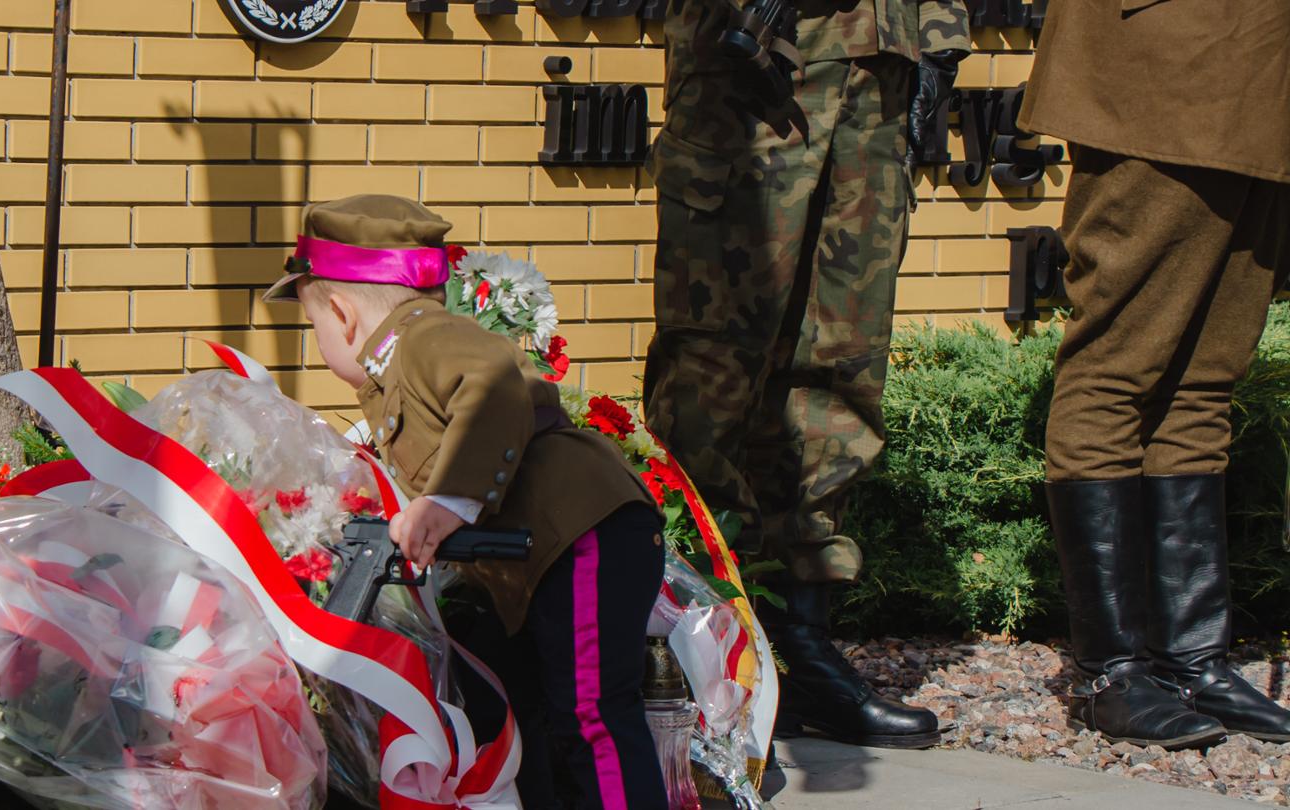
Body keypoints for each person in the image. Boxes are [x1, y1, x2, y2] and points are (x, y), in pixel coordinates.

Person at [264, 194, 668, 810]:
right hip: (546, 558)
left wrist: (445, 501)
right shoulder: (397, 362)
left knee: (592, 714)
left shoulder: (424, 337)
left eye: (314, 324)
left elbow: (493, 386)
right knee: (502, 698)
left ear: (343, 315)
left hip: (585, 533)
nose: (320, 340)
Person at [642, 0, 970, 748]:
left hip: (881, 60)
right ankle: (688, 654)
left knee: (842, 363)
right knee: (713, 371)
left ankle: (801, 649)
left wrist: (941, 41)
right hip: (758, 61)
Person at [1020, 0, 1290, 750]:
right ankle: (1112, 671)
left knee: (1205, 381)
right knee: (1118, 366)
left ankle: (1189, 658)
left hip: (1264, 83)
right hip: (1171, 69)